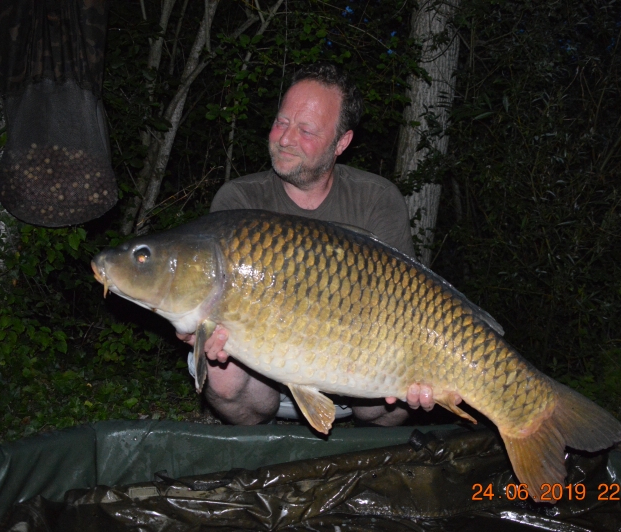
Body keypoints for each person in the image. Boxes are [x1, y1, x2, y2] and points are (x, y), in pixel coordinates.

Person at [178, 63, 460, 426]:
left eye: (306, 129)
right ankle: (263, 447)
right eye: (281, 122)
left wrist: (419, 370)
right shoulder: (238, 200)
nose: (284, 139)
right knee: (221, 371)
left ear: (341, 142)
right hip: (264, 381)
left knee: (399, 395)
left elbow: (408, 306)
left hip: (355, 382)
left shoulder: (377, 200)